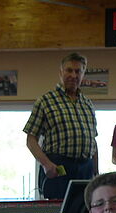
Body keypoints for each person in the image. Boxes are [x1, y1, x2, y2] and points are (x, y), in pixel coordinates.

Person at [24, 52, 98, 200]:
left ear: (83, 74)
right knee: (56, 212)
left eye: (78, 71)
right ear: (60, 72)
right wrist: (46, 164)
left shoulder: (88, 104)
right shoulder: (45, 101)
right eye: (69, 70)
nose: (73, 75)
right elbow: (31, 140)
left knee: (84, 210)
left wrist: (96, 173)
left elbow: (93, 142)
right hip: (58, 168)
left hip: (85, 169)